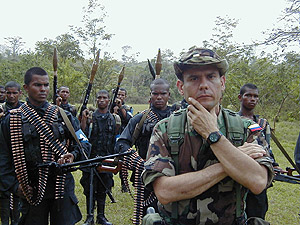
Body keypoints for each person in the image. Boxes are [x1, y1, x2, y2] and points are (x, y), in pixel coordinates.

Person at [142, 47, 274, 225]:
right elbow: (165, 192)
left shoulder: (247, 128)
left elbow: (258, 181)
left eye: (211, 77)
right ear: (181, 87)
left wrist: (213, 135)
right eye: (194, 78)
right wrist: (230, 163)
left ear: (223, 82)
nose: (204, 85)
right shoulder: (165, 129)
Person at [0, 67, 90, 225]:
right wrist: (15, 185)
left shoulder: (63, 115)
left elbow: (84, 143)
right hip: (31, 187)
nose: (43, 89)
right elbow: (3, 157)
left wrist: (73, 155)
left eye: (46, 85)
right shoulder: (12, 119)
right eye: (37, 85)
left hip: (61, 185)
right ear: (26, 88)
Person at [115, 78, 176, 215]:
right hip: (146, 174)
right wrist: (137, 161)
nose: (159, 97)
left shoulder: (177, 117)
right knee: (147, 214)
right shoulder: (140, 119)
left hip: (175, 175)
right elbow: (121, 143)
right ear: (150, 95)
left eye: (163, 93)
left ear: (169, 95)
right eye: (155, 93)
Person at [238, 83, 280, 220]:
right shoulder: (233, 121)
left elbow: (267, 146)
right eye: (248, 95)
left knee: (258, 212)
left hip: (260, 174)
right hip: (240, 174)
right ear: (240, 97)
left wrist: (273, 164)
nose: (252, 99)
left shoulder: (262, 123)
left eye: (255, 96)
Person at [80, 90, 121, 225]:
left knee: (103, 188)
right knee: (89, 188)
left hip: (106, 159)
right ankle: (89, 216)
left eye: (104, 98)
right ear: (96, 100)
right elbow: (83, 135)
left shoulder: (114, 119)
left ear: (109, 100)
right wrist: (84, 119)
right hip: (91, 159)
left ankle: (101, 216)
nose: (102, 100)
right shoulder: (90, 117)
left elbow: (116, 137)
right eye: (99, 98)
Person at [0, 81, 24, 225]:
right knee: (3, 192)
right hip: (3, 155)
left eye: (14, 93)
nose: (11, 96)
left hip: (20, 156)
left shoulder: (25, 110)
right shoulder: (1, 109)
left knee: (18, 192)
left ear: (20, 93)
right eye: (8, 93)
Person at [112, 87, 133, 192]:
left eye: (122, 95)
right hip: (110, 138)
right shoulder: (110, 106)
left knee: (123, 162)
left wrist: (120, 108)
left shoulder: (127, 108)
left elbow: (128, 119)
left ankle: (124, 185)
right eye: (118, 95)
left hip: (122, 138)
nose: (119, 97)